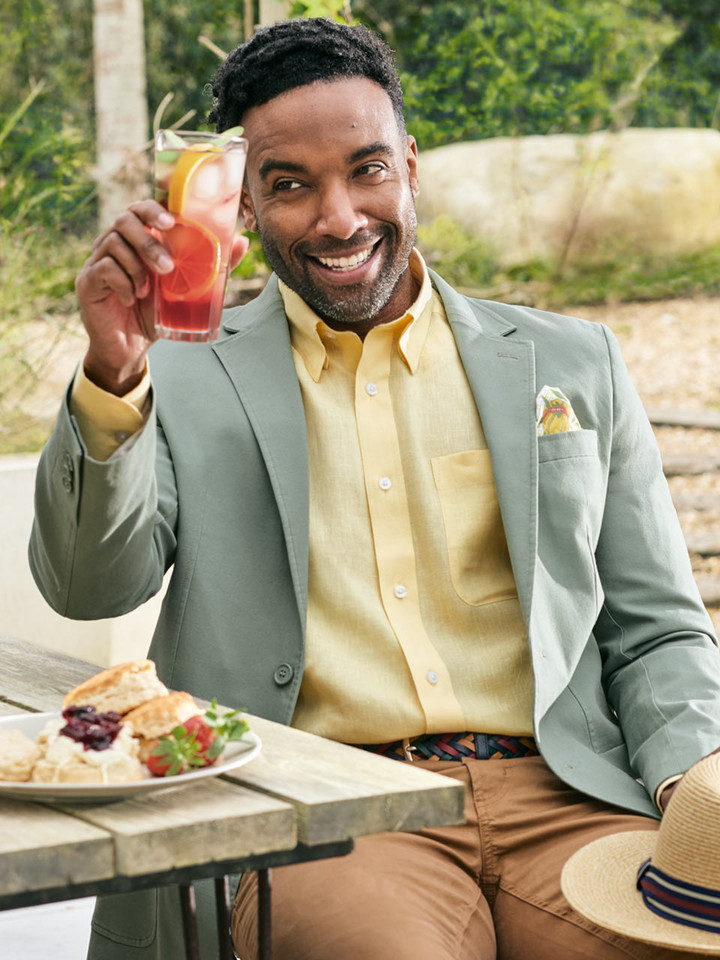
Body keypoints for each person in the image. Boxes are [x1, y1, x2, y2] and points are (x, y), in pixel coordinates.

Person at [29, 16, 720, 960]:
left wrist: (691, 782)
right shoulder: (178, 376)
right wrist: (113, 373)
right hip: (329, 807)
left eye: (368, 170)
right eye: (289, 185)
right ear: (243, 207)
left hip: (572, 797)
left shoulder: (573, 360)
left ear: (411, 169)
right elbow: (89, 588)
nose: (340, 218)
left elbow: (657, 629)